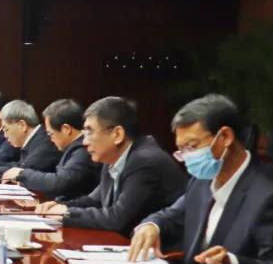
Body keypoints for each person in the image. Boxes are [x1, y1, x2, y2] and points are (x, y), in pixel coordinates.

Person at [128, 94, 273, 264]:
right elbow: (173, 215)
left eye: (192, 147)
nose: (187, 157)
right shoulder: (202, 181)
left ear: (225, 137)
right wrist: (151, 225)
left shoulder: (271, 198)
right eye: (182, 150)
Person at [36, 96, 185, 237]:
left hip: (163, 250)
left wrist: (66, 214)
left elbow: (117, 219)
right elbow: (94, 200)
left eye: (89, 132)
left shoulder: (144, 161)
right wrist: (58, 206)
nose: (84, 142)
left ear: (117, 134)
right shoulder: (113, 157)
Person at [1, 99, 101, 201]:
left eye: (50, 133)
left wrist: (22, 174)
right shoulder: (72, 148)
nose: (50, 139)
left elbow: (60, 183)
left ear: (66, 129)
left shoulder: (83, 151)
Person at [0, 100, 60, 180]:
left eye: (6, 129)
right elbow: (19, 164)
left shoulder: (44, 142)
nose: (5, 136)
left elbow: (23, 170)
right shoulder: (35, 138)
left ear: (22, 125)